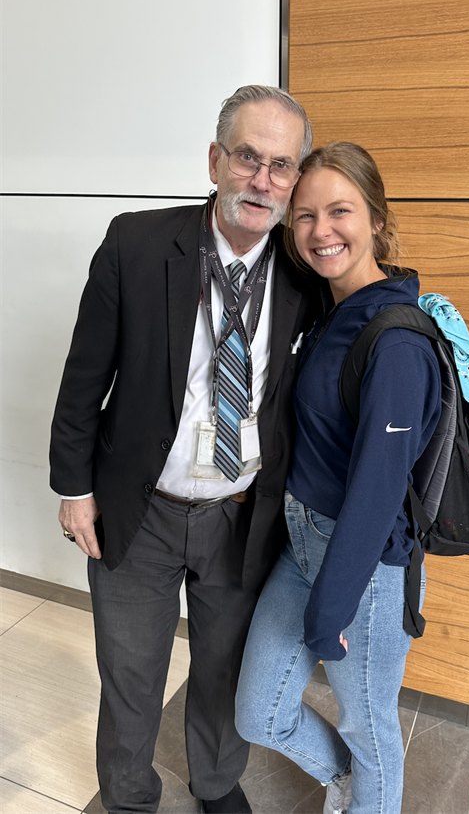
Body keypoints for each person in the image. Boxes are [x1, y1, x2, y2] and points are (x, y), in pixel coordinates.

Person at [49, 84, 313, 814]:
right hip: (143, 506)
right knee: (132, 670)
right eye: (247, 158)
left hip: (242, 510)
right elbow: (82, 379)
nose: (262, 180)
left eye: (281, 166)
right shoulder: (136, 243)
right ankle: (129, 795)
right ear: (214, 160)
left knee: (223, 665)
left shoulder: (303, 272)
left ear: (294, 179)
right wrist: (74, 489)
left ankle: (216, 781)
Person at [234, 142, 443, 814]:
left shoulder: (396, 341)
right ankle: (351, 786)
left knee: (370, 728)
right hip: (301, 544)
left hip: (365, 565)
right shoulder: (329, 313)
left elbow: (378, 493)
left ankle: (369, 796)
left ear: (376, 219)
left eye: (340, 211)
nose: (320, 231)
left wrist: (332, 607)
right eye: (304, 215)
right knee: (257, 714)